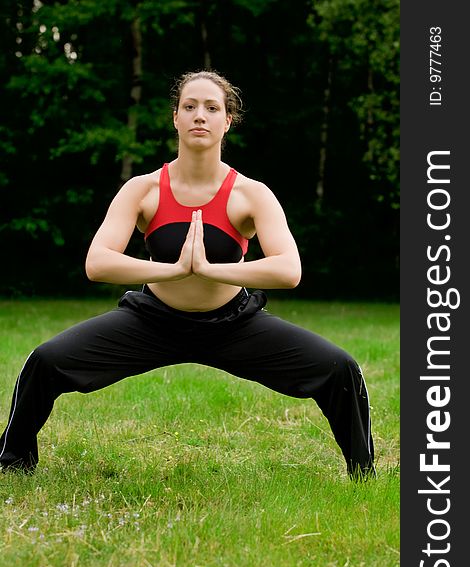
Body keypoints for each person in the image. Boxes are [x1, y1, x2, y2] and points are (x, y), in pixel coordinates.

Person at [0, 70, 375, 480]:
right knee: (45, 361)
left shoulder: (250, 194)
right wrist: (173, 269)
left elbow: (289, 269)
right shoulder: (143, 189)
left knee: (340, 368)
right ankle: (14, 461)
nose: (200, 116)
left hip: (233, 325)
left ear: (227, 121)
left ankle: (363, 473)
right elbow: (98, 262)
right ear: (175, 117)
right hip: (151, 322)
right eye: (190, 106)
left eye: (212, 108)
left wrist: (212, 269)